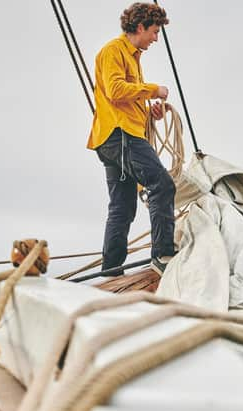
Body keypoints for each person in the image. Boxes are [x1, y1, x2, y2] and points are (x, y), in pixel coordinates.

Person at [87, 3, 175, 276]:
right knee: (162, 184)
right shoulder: (114, 51)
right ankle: (163, 255)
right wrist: (154, 90)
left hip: (115, 137)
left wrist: (152, 114)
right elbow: (115, 90)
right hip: (120, 135)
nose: (156, 38)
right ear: (140, 27)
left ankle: (110, 272)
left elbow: (126, 98)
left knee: (123, 209)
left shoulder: (133, 58)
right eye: (154, 31)